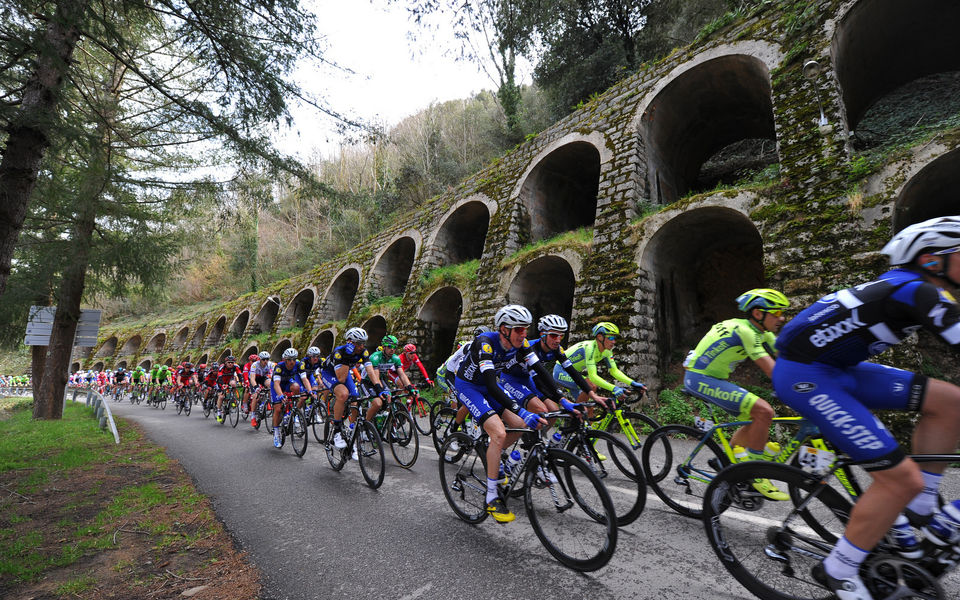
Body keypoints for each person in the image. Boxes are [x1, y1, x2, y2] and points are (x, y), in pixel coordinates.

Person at [772, 216, 960, 600]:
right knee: (900, 478)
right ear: (931, 260)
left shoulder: (913, 285)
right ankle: (839, 570)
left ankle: (922, 503)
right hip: (806, 376)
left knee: (951, 402)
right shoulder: (918, 291)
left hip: (839, 369)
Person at [683, 288, 791, 500]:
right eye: (777, 313)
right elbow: (772, 371)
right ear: (758, 313)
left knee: (755, 417)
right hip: (699, 378)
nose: (782, 318)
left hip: (712, 378)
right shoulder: (746, 332)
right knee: (764, 411)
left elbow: (786, 355)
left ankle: (726, 461)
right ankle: (755, 472)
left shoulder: (762, 331)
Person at [453, 305, 548, 523]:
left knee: (520, 425)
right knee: (499, 433)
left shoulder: (521, 344)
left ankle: (493, 453)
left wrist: (562, 400)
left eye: (526, 329)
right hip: (469, 387)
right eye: (519, 330)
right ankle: (491, 497)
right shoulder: (485, 343)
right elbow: (490, 383)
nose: (524, 334)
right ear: (504, 329)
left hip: (490, 386)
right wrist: (521, 410)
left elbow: (541, 372)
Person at [319, 327, 390, 460]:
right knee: (343, 394)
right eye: (359, 343)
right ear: (350, 342)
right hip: (330, 374)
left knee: (356, 399)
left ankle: (352, 434)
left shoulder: (363, 351)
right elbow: (341, 379)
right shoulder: (340, 352)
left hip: (344, 372)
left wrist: (378, 388)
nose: (362, 346)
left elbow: (370, 371)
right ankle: (337, 430)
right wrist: (347, 356)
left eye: (363, 343)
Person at [553, 322, 647, 404]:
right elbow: (593, 377)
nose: (613, 341)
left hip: (574, 373)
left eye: (614, 338)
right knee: (591, 386)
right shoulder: (589, 348)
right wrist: (614, 388)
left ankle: (578, 417)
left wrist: (633, 383)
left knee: (590, 407)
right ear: (600, 337)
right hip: (561, 371)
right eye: (610, 337)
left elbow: (614, 371)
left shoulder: (607, 351)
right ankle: (576, 415)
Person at [270, 348, 314, 448]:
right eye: (289, 359)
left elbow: (304, 379)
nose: (292, 362)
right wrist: (281, 395)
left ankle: (292, 409)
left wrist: (310, 391)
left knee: (296, 387)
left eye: (294, 359)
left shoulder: (298, 365)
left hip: (288, 382)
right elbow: (276, 384)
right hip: (277, 385)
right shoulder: (279, 367)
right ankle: (276, 432)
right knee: (278, 409)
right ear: (285, 360)